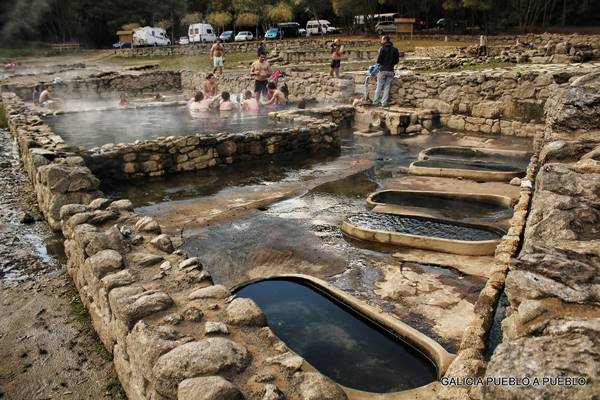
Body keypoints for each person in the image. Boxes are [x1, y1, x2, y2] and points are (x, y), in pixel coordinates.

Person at [372, 35, 400, 108]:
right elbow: (397, 60)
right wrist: (391, 64)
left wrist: (382, 64)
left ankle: (375, 102)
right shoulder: (395, 49)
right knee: (387, 86)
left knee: (379, 86)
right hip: (391, 70)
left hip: (383, 70)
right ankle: (384, 103)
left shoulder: (382, 48)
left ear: (385, 40)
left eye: (382, 40)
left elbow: (378, 60)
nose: (381, 41)